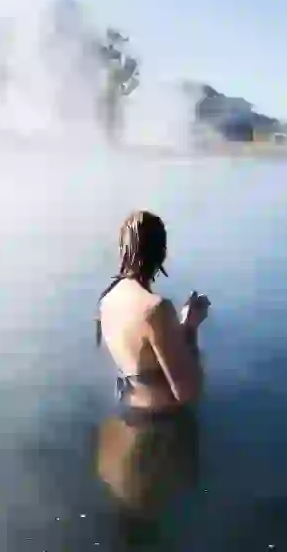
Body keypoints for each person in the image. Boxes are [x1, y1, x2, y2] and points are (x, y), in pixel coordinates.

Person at [93, 210, 211, 547]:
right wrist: (189, 327)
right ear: (161, 252)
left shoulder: (108, 299)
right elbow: (187, 391)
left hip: (123, 425)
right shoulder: (155, 308)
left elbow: (137, 359)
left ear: (123, 249)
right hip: (157, 439)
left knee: (130, 530)